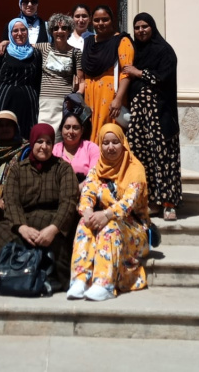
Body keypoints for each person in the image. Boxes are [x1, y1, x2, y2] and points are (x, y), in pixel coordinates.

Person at [68, 123, 149, 301]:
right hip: (104, 220)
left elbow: (128, 202)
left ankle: (104, 284)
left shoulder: (135, 170)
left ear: (123, 143)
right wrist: (88, 211)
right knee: (84, 224)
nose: (110, 147)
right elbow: (87, 191)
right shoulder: (98, 169)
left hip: (134, 229)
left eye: (115, 142)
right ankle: (80, 279)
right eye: (105, 143)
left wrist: (106, 215)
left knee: (109, 227)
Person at [0, 123, 79, 293]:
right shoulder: (18, 169)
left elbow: (69, 201)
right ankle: (17, 273)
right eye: (39, 142)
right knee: (1, 229)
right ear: (32, 143)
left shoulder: (63, 168)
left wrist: (54, 229)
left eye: (48, 142)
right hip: (24, 221)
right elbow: (11, 201)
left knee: (66, 231)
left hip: (53, 221)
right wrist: (22, 227)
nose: (44, 146)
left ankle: (51, 276)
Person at [124, 12, 183, 220]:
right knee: (142, 158)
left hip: (160, 116)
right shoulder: (135, 52)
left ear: (153, 27)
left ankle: (169, 204)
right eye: (137, 27)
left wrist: (138, 73)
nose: (140, 31)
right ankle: (150, 202)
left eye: (144, 27)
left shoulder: (164, 51)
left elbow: (163, 78)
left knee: (163, 157)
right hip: (139, 118)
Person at [81, 5, 134, 143]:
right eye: (97, 20)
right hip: (89, 99)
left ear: (112, 20)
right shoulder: (88, 42)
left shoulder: (121, 41)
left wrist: (118, 99)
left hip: (109, 99)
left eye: (105, 19)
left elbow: (126, 73)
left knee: (108, 136)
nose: (101, 23)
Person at [0, 18, 43, 139]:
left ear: (28, 32)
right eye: (15, 30)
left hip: (28, 103)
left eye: (23, 30)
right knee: (2, 133)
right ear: (10, 33)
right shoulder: (1, 52)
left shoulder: (36, 54)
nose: (19, 33)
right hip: (4, 100)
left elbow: (37, 82)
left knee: (26, 136)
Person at [34, 13, 83, 133]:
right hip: (44, 101)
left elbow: (82, 81)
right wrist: (4, 42)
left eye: (63, 28)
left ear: (69, 30)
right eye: (55, 28)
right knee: (43, 134)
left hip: (64, 102)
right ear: (51, 31)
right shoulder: (43, 47)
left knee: (60, 136)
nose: (59, 31)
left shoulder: (75, 53)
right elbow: (22, 45)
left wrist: (76, 97)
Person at [53, 111, 100, 184]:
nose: (71, 131)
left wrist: (78, 188)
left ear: (82, 131)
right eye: (67, 127)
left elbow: (94, 175)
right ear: (61, 130)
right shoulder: (55, 150)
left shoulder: (91, 148)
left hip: (85, 191)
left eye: (75, 128)